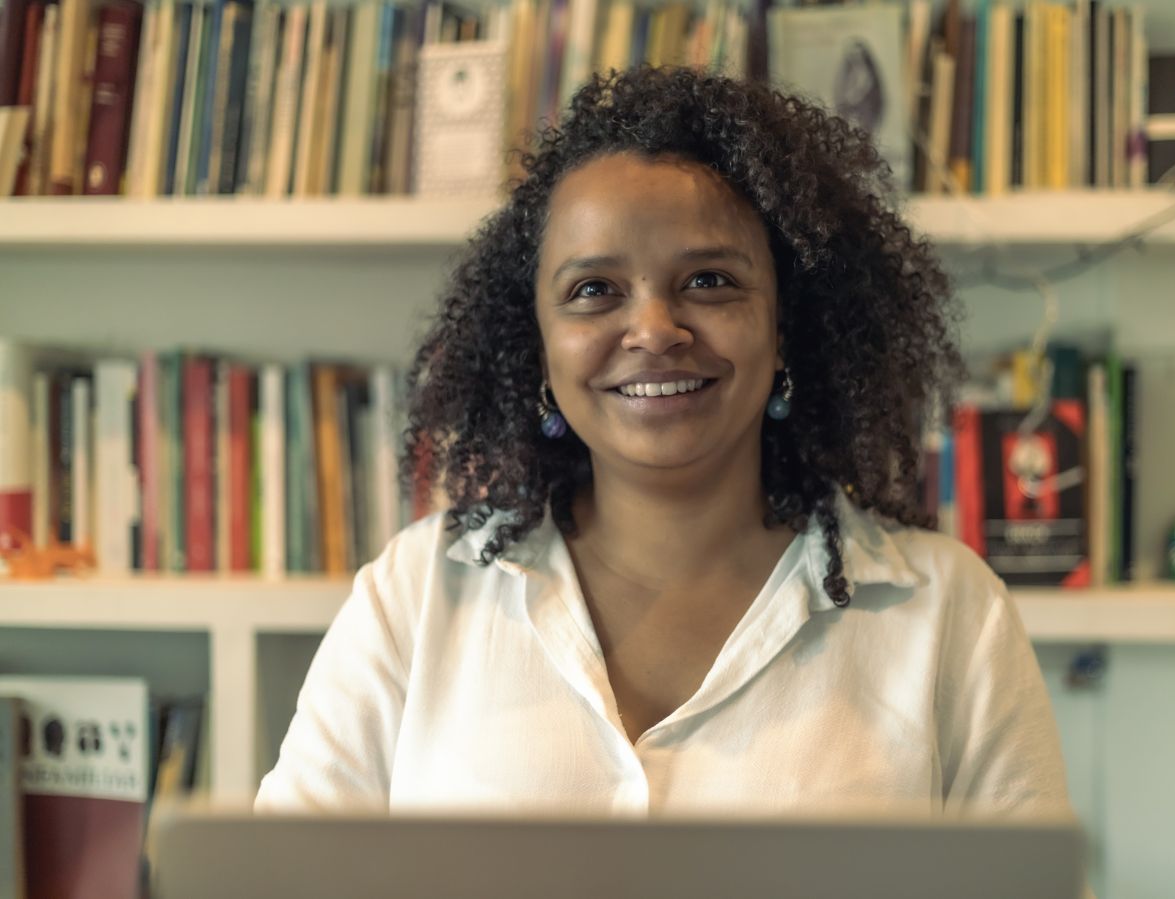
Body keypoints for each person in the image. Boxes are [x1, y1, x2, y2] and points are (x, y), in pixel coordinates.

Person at [255, 66, 1073, 819]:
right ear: (535, 342)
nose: (653, 328)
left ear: (785, 327)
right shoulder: (415, 596)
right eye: (593, 290)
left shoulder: (948, 614)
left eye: (709, 280)